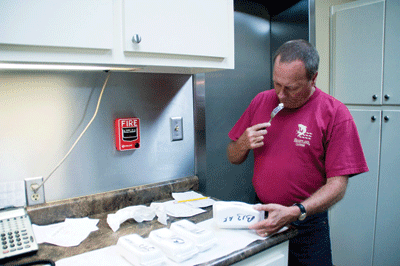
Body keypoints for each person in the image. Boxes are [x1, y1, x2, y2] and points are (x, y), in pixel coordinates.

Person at [227, 39, 368, 265]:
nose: (281, 95)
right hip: (262, 216)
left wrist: (296, 211)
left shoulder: (335, 114)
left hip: (307, 223)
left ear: (313, 78)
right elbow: (232, 157)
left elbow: (338, 186)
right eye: (276, 84)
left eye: (291, 88)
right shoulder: (261, 101)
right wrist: (243, 143)